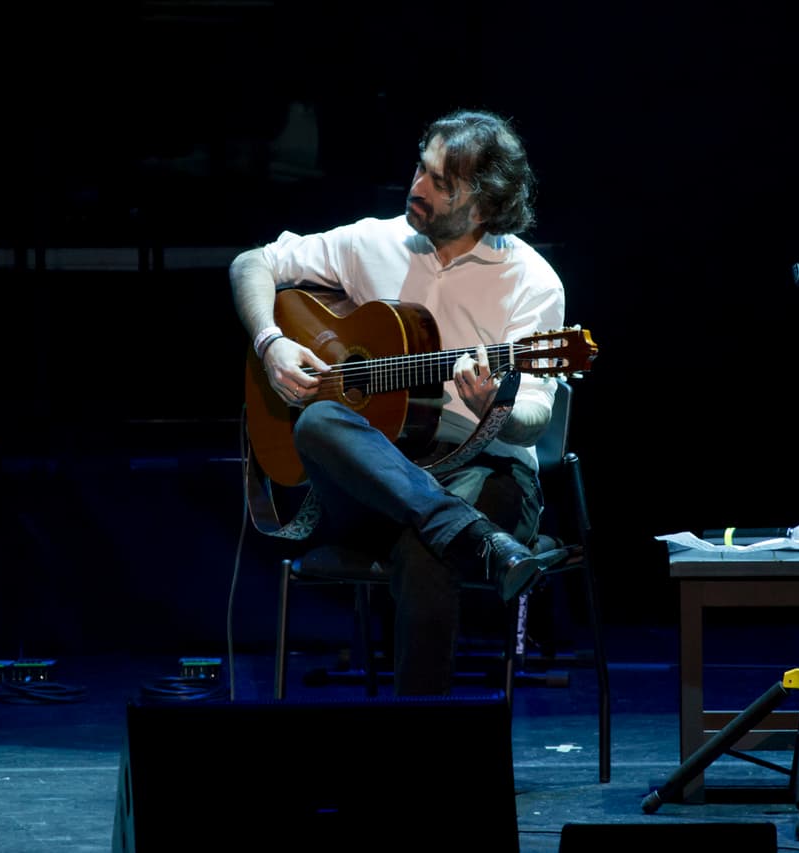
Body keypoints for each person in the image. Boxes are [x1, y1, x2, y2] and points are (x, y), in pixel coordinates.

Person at [230, 109, 568, 695]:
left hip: (484, 466)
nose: (417, 188)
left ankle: (420, 754)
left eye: (442, 183)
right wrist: (272, 343)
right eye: (421, 168)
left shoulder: (533, 282)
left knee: (424, 547)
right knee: (318, 422)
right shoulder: (371, 240)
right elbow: (251, 262)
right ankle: (479, 541)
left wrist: (497, 407)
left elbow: (536, 419)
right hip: (377, 466)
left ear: (485, 204)